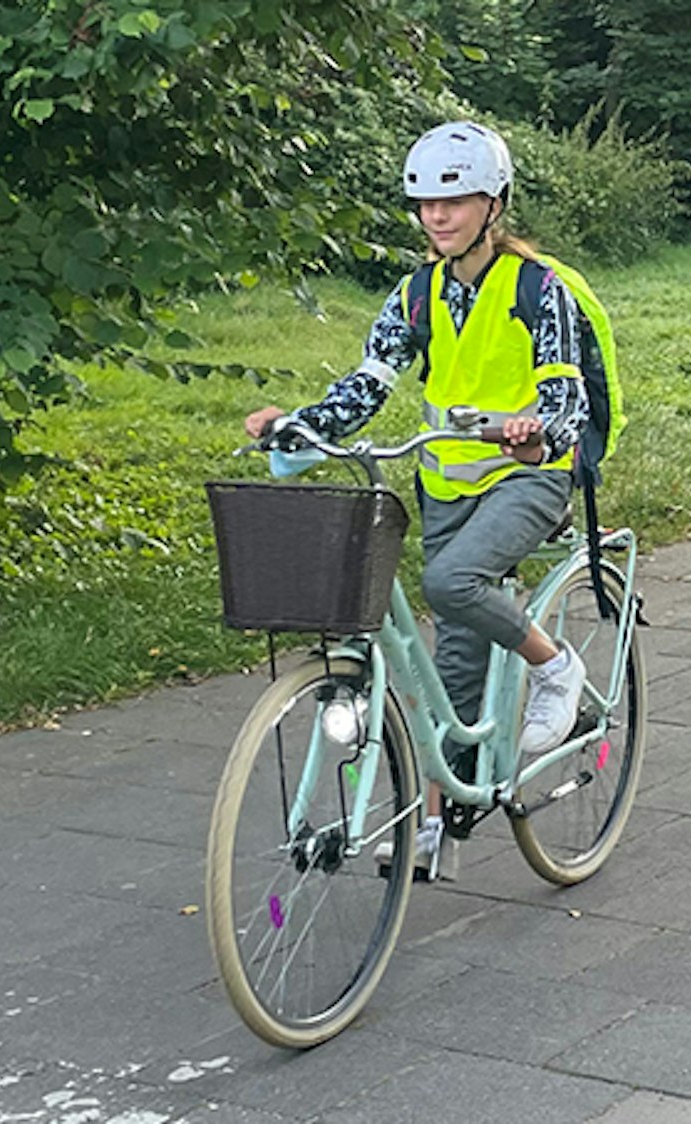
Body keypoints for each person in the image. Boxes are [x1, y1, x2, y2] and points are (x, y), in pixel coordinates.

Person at [243, 120, 590, 877]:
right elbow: (367, 384)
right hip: (445, 484)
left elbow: (569, 402)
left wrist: (536, 433)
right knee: (451, 666)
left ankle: (556, 667)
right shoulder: (417, 294)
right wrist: (300, 425)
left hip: (527, 478)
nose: (437, 217)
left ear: (493, 203)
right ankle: (438, 823)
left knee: (449, 583)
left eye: (455, 200)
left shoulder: (539, 290)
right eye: (426, 204)